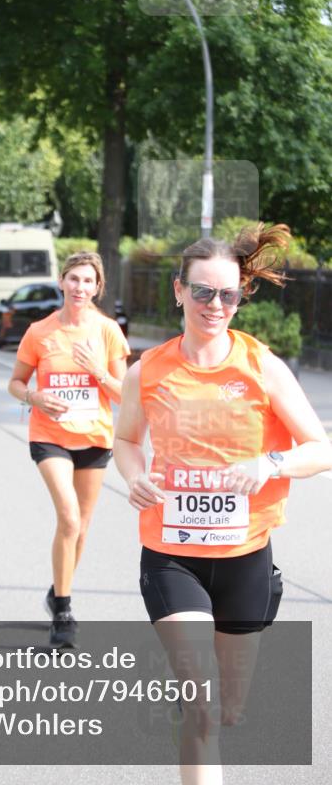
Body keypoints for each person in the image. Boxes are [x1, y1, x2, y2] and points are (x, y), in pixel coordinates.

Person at [113, 224, 332, 784]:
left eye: (228, 294)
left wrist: (268, 465)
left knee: (228, 706)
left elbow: (320, 448)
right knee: (203, 705)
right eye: (204, 291)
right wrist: (135, 476)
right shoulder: (148, 371)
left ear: (240, 297)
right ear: (179, 290)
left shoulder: (262, 367)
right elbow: (126, 440)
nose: (216, 305)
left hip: (245, 555)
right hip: (170, 553)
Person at [8, 251, 130, 647]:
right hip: (49, 435)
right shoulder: (40, 332)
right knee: (69, 517)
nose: (80, 287)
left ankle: (56, 589)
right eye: (74, 279)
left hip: (94, 437)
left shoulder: (108, 331)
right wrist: (34, 397)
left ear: (98, 288)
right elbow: (15, 382)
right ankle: (63, 609)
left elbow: (125, 395)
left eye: (88, 281)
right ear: (61, 281)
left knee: (82, 527)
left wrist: (98, 370)